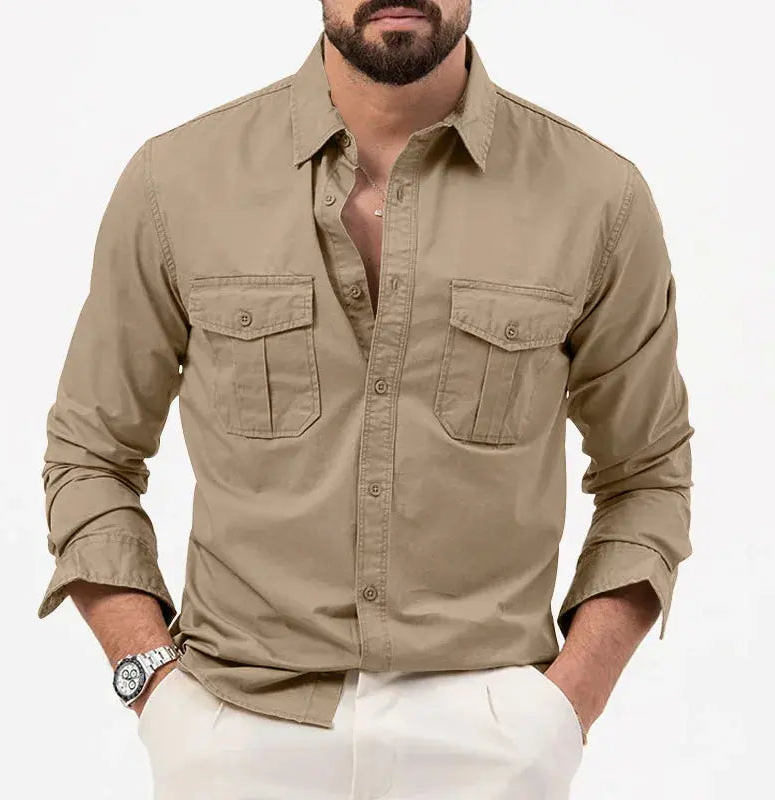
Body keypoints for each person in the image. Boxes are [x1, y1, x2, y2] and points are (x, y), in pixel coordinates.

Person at [38, 2, 694, 798]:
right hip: (233, 729)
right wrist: (158, 693)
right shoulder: (175, 183)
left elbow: (647, 476)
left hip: (491, 739)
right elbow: (91, 457)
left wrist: (562, 710)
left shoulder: (597, 198)